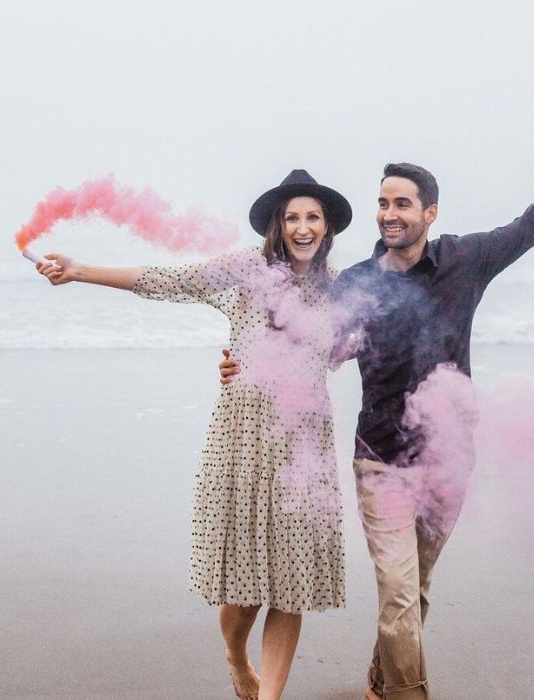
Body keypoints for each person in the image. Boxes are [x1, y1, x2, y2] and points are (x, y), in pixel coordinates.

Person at [220, 90, 534, 699]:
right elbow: (318, 351)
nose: (388, 213)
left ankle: (380, 681)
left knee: (415, 593)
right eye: (382, 203)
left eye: (401, 203)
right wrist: (250, 365)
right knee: (398, 595)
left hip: (450, 459)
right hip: (380, 460)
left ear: (430, 212)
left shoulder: (468, 259)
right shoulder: (355, 284)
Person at [33, 169, 353, 700]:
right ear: (277, 224)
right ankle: (235, 655)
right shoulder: (250, 267)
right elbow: (171, 281)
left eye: (312, 217)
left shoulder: (338, 288)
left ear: (326, 228)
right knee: (246, 587)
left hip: (304, 443)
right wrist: (81, 270)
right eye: (292, 216)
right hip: (246, 435)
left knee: (290, 586)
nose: (302, 227)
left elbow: (346, 353)